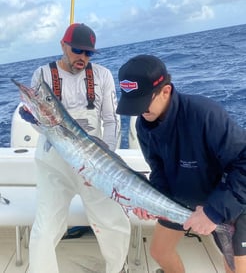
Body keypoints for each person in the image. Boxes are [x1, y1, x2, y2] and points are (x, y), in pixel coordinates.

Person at [116, 54, 246, 273]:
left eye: (143, 104)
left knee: (235, 269)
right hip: (182, 201)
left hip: (228, 199)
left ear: (166, 91)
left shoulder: (205, 114)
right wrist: (150, 200)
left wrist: (213, 212)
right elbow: (159, 170)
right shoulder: (143, 126)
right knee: (159, 252)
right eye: (133, 105)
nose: (139, 112)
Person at [19, 23, 130, 273]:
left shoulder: (102, 75)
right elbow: (47, 126)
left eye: (88, 53)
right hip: (53, 164)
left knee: (114, 222)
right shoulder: (42, 74)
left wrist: (105, 163)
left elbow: (112, 120)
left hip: (95, 164)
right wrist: (35, 122)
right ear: (62, 45)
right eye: (77, 50)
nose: (82, 57)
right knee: (45, 227)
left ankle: (118, 268)